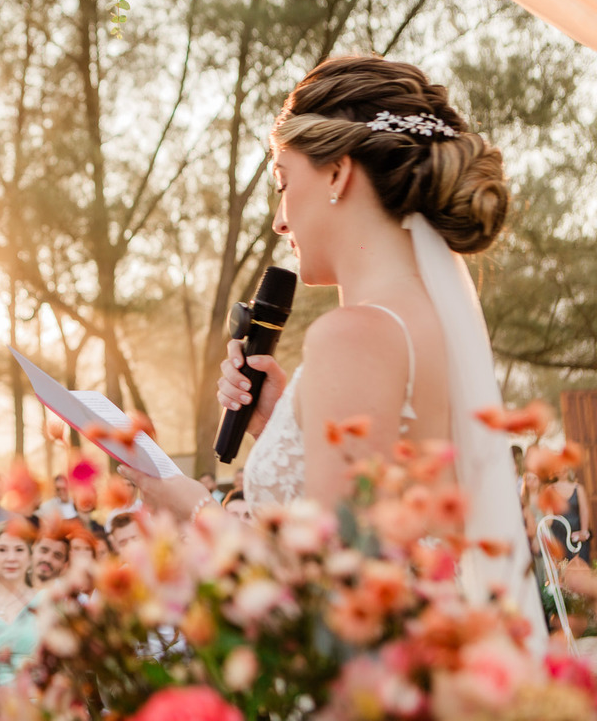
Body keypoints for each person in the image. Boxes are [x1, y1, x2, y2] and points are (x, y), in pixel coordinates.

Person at [125, 55, 546, 645]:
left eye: (282, 183)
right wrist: (286, 424)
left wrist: (193, 508)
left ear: (337, 173)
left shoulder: (354, 334)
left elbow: (334, 595)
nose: (279, 220)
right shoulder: (428, 320)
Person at [0, 522, 38, 686]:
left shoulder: (46, 602)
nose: (11, 558)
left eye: (19, 550)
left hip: (34, 695)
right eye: (2, 550)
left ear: (30, 557)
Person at [549, 469, 593, 565]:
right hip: (559, 535)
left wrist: (583, 531)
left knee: (581, 565)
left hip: (576, 534)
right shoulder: (550, 489)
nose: (561, 470)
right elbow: (548, 515)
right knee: (563, 567)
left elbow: (584, 511)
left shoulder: (578, 488)